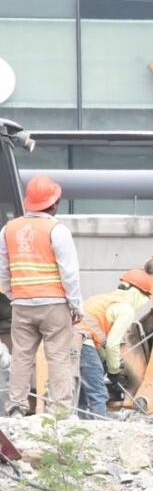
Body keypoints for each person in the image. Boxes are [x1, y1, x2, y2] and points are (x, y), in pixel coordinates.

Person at [0, 175, 83, 417]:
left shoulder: (9, 229)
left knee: (21, 357)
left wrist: (12, 293)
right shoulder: (57, 230)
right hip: (55, 305)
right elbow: (69, 273)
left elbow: (3, 268)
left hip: (22, 304)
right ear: (55, 203)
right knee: (57, 357)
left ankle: (17, 406)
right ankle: (59, 411)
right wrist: (76, 306)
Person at [75, 269, 152, 419]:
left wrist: (105, 363)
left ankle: (81, 428)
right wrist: (114, 371)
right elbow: (112, 345)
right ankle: (101, 428)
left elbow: (100, 340)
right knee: (98, 392)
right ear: (139, 294)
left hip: (69, 341)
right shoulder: (125, 309)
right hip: (84, 342)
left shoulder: (103, 299)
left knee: (82, 392)